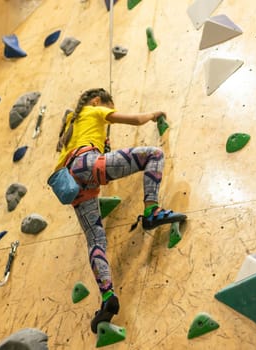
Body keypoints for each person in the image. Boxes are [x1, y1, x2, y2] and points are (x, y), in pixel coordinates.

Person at [55, 88, 187, 333]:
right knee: (154, 155)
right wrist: (154, 114)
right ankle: (151, 211)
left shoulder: (72, 122)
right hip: (88, 163)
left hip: (72, 182)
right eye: (108, 106)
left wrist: (103, 144)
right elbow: (135, 120)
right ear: (98, 101)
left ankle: (107, 297)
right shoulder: (94, 109)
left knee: (95, 240)